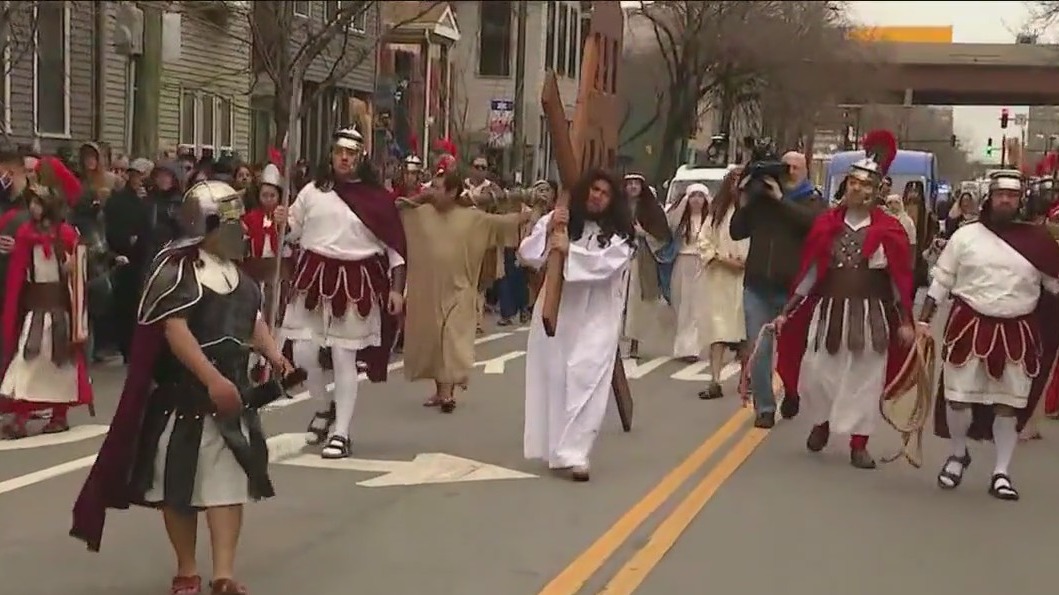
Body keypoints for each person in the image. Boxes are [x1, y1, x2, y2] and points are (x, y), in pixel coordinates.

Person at [70, 179, 293, 594]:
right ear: (205, 223)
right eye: (230, 222)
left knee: (228, 488)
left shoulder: (238, 275)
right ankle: (186, 568)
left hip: (232, 399)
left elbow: (252, 320)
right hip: (184, 399)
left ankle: (223, 574)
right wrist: (211, 379)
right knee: (178, 488)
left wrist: (275, 355)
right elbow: (175, 331)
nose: (239, 230)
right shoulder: (174, 272)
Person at [775, 138, 918, 469]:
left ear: (877, 191)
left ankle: (859, 444)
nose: (858, 190)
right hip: (828, 314)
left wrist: (905, 320)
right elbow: (811, 272)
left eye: (866, 185)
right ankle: (821, 423)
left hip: (871, 318)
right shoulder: (826, 224)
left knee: (865, 381)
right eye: (853, 183)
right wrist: (788, 311)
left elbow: (897, 279)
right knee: (819, 374)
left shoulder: (890, 229)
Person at [924, 170, 1059, 501]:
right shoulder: (966, 236)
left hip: (1018, 330)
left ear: (1021, 201)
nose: (1006, 201)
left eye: (1012, 196)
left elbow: (1054, 284)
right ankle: (958, 454)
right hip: (969, 326)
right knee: (957, 398)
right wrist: (923, 321)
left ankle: (1001, 471)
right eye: (1001, 195)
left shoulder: (1039, 242)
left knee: (1008, 406)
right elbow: (942, 279)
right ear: (990, 198)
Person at [282, 126, 407, 459]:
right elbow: (292, 232)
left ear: (361, 158)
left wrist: (397, 289)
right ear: (331, 156)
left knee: (343, 356)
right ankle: (324, 407)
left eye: (350, 153)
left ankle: (341, 433)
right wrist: (282, 221)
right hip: (313, 277)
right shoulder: (312, 191)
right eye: (339, 152)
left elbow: (395, 248)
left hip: (356, 280)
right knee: (303, 353)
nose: (344, 158)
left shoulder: (377, 198)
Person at [520, 169, 635, 482]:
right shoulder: (562, 219)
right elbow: (528, 255)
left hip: (598, 315)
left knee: (586, 376)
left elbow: (606, 266)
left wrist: (570, 251)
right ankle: (557, 448)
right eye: (594, 189)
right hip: (559, 310)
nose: (597, 196)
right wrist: (548, 231)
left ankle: (577, 453)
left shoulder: (620, 235)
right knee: (556, 377)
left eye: (605, 193)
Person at [398, 170, 528, 411]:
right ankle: (440, 391)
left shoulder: (471, 218)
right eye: (432, 186)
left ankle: (448, 394)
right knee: (435, 340)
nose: (432, 191)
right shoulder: (421, 213)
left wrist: (529, 214)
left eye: (438, 188)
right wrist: (421, 198)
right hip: (429, 289)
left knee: (451, 338)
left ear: (452, 192)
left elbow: (500, 224)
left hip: (459, 288)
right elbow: (397, 208)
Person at [729, 150, 825, 428]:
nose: (790, 171)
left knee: (793, 353)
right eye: (786, 166)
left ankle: (792, 392)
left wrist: (782, 200)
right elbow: (737, 231)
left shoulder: (813, 201)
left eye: (796, 167)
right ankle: (765, 408)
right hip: (757, 286)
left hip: (794, 291)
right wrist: (744, 199)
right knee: (758, 349)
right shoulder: (762, 200)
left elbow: (814, 226)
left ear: (806, 171)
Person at [1, 161, 93, 438]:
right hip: (35, 308)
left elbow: (78, 270)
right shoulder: (26, 234)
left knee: (60, 365)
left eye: (38, 203)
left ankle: (59, 415)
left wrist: (71, 267)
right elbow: (19, 272)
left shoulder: (65, 234)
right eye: (31, 202)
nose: (33, 208)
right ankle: (20, 416)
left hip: (58, 309)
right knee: (26, 360)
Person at [696, 170, 749, 400]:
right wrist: (721, 259)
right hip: (719, 279)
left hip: (746, 278)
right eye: (734, 180)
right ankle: (715, 381)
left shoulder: (754, 212)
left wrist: (747, 262)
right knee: (717, 331)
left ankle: (745, 379)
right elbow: (703, 241)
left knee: (746, 332)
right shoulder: (717, 212)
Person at [621, 172, 671, 359]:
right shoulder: (616, 207)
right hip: (617, 258)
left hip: (640, 260)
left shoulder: (652, 209)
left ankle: (634, 343)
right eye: (629, 183)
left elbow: (663, 237)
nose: (633, 187)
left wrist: (644, 234)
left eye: (636, 183)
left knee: (636, 303)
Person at [666, 183, 710, 361]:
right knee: (682, 305)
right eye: (693, 196)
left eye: (700, 196)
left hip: (702, 263)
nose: (696, 200)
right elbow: (669, 225)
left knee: (697, 307)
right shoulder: (681, 220)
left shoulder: (710, 219)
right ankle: (682, 347)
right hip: (683, 262)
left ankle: (693, 348)